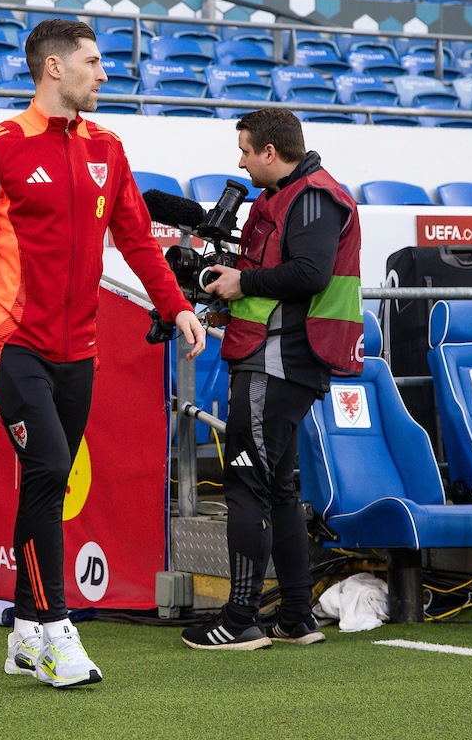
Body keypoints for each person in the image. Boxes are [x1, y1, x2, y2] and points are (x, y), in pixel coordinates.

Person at [0, 18, 205, 688]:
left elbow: (137, 239)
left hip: (79, 351)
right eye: (92, 61)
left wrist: (176, 305)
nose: (104, 73)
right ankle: (57, 628)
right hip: (12, 344)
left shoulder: (107, 147)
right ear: (54, 67)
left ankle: (24, 634)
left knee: (44, 485)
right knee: (51, 467)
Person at [180, 107, 362, 651]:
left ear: (270, 151)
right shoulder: (292, 194)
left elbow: (310, 273)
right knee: (278, 488)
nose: (240, 162)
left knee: (246, 485)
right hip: (276, 359)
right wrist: (234, 285)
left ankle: (239, 619)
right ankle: (296, 616)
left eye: (244, 151)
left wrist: (242, 282)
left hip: (278, 360)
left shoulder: (313, 196)